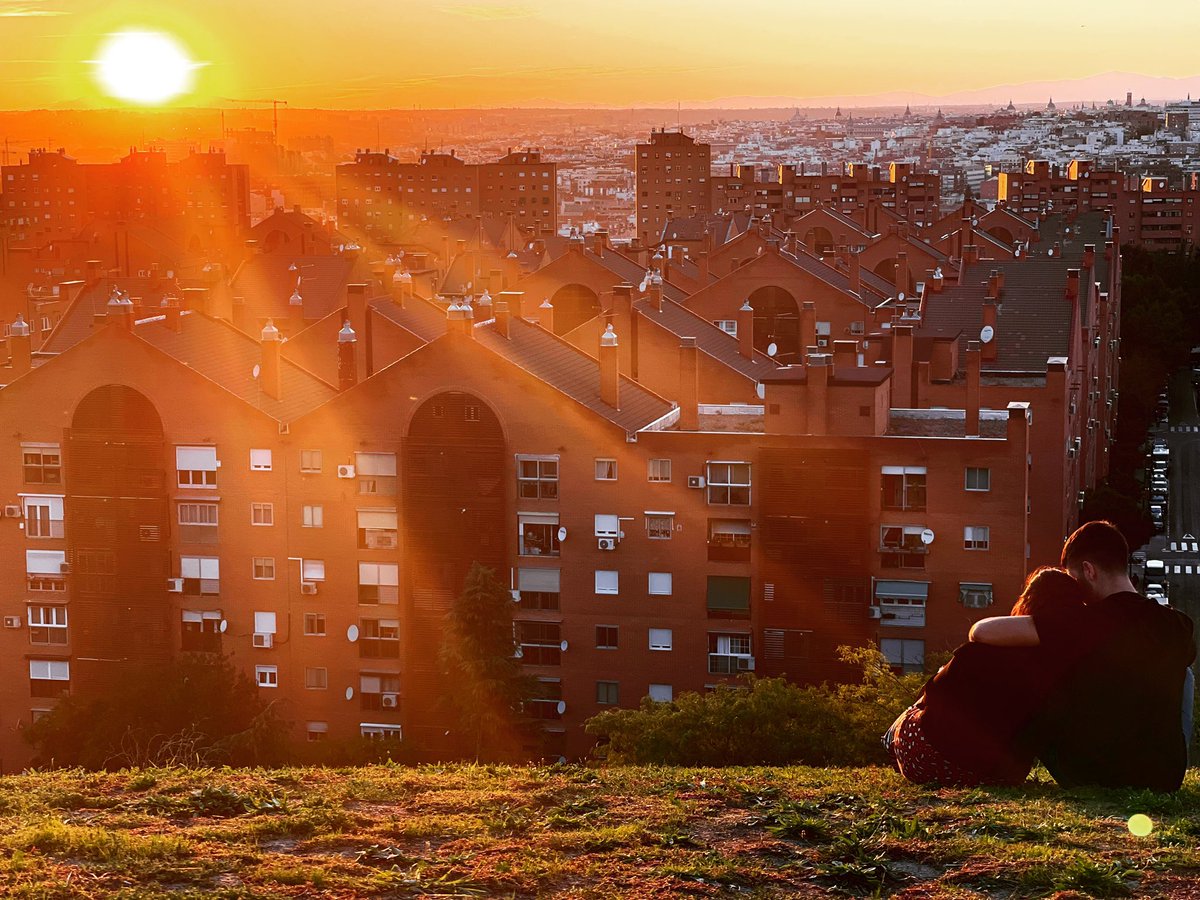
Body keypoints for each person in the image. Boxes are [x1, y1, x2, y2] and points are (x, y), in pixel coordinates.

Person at [970, 520, 1196, 792]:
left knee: (1038, 661)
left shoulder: (1080, 623)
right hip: (1164, 777)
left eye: (1073, 578)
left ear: (1089, 571)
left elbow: (981, 632)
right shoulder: (1178, 625)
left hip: (1095, 774)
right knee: (1184, 674)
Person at [886, 567, 1087, 786]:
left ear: (1028, 601)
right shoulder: (1063, 673)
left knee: (919, 705)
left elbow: (934, 693)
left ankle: (889, 738)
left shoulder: (981, 650)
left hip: (923, 760)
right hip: (991, 776)